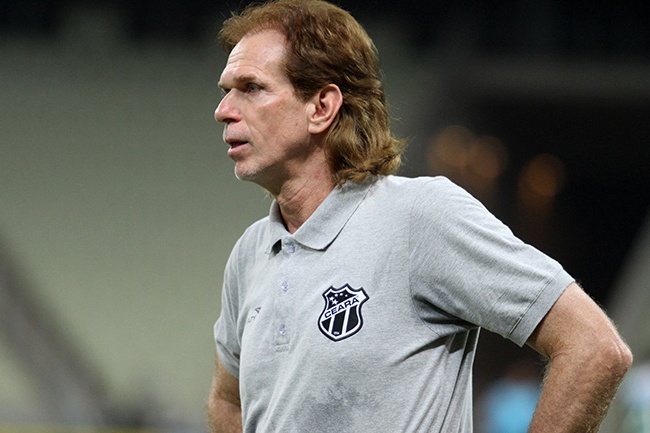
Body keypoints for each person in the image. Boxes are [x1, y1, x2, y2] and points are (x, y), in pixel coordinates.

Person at [207, 1, 633, 432]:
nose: (224, 110)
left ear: (321, 106)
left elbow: (594, 346)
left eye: (251, 88)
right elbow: (227, 400)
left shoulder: (419, 218)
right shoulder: (250, 254)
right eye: (226, 91)